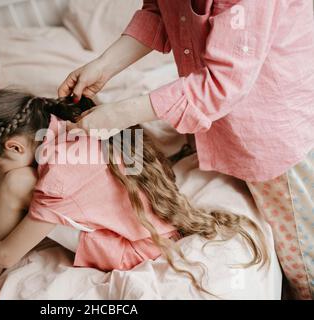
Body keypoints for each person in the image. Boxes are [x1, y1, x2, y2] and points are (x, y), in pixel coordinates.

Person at [58, 0, 314, 300]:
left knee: (302, 259)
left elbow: (220, 83)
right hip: (225, 120)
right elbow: (163, 12)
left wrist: (116, 116)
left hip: (276, 128)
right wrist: (103, 66)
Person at [0, 89, 267, 292]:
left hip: (129, 247)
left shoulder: (59, 176)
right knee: (15, 179)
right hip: (129, 214)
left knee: (16, 181)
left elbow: (8, 255)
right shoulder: (50, 125)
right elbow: (3, 188)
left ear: (14, 147)